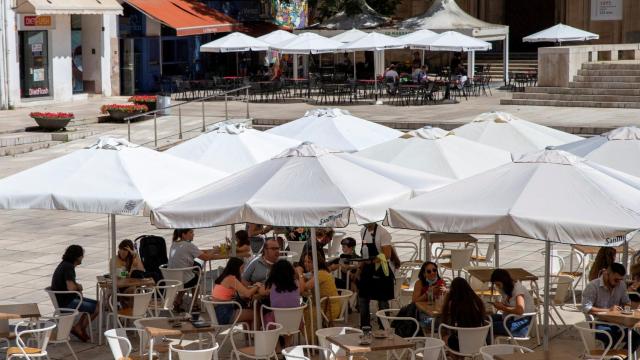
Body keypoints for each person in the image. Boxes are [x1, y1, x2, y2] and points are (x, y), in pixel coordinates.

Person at [582, 263, 640, 351]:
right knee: (612, 337)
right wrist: (608, 310)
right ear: (606, 274)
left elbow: (627, 303)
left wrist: (625, 309)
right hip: (597, 323)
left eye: (620, 280)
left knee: (636, 338)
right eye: (616, 280)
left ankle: (617, 358)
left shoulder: (621, 285)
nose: (618, 282)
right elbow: (586, 308)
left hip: (617, 323)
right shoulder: (593, 286)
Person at [51, 245, 98, 342]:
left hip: (64, 299)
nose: (83, 258)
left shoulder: (65, 264)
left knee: (98, 303)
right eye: (82, 256)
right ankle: (79, 328)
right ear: (77, 257)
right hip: (66, 302)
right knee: (98, 307)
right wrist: (79, 286)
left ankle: (79, 327)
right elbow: (71, 287)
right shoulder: (68, 267)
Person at [168, 229, 218, 311]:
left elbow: (194, 252)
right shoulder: (188, 245)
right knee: (196, 277)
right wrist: (214, 250)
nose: (193, 234)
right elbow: (206, 258)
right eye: (191, 232)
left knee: (191, 275)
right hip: (183, 280)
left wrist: (204, 251)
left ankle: (177, 301)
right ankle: (194, 304)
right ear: (183, 235)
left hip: (172, 279)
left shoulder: (174, 244)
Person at [357, 222, 395, 327]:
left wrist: (372, 260)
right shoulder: (363, 231)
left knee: (382, 301)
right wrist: (359, 269)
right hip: (367, 269)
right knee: (363, 299)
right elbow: (364, 251)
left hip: (381, 269)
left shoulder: (383, 233)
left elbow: (387, 255)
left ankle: (384, 327)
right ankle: (365, 327)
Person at [262, 259, 305, 345]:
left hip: (275, 323)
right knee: (288, 317)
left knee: (265, 315)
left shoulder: (271, 285)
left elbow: (261, 292)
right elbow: (303, 288)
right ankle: (287, 345)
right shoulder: (296, 284)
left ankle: (276, 348)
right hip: (295, 323)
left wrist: (258, 285)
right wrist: (300, 274)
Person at [297, 251, 339, 335]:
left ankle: (312, 341)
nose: (306, 264)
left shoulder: (320, 274)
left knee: (302, 314)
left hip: (329, 308)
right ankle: (311, 339)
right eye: (304, 261)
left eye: (309, 262)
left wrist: (300, 273)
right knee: (301, 312)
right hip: (321, 305)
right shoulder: (315, 273)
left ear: (316, 262)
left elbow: (304, 287)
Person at [211, 257, 262, 327]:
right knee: (255, 314)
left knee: (247, 312)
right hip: (225, 314)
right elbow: (247, 294)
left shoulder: (224, 277)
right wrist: (257, 286)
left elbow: (244, 288)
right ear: (236, 268)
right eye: (241, 268)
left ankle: (250, 337)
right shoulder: (231, 279)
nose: (243, 271)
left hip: (218, 313)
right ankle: (255, 337)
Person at [440, 277, 486, 352]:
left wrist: (448, 297)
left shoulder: (454, 303)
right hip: (478, 342)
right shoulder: (477, 301)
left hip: (461, 343)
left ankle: (457, 357)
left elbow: (446, 316)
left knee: (444, 336)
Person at [490, 269, 536, 338]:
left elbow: (520, 310)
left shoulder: (518, 290)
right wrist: (502, 305)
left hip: (521, 325)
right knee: (487, 318)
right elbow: (511, 307)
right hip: (512, 319)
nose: (497, 287)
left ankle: (487, 347)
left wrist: (502, 307)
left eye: (498, 284)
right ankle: (486, 345)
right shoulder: (507, 289)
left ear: (504, 281)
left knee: (488, 325)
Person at [413, 261, 446, 328]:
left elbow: (442, 300)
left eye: (434, 270)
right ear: (424, 274)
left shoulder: (441, 282)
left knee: (445, 321)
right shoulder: (419, 283)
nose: (432, 273)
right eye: (429, 271)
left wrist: (443, 292)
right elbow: (414, 301)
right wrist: (428, 293)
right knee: (430, 323)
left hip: (436, 312)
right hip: (423, 312)